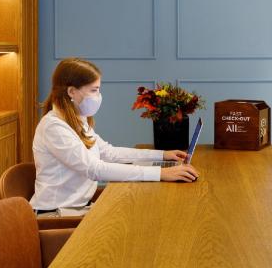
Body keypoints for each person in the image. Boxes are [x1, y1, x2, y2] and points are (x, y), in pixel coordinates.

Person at [30, 58, 199, 213]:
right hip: (56, 214)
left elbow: (109, 153)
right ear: (72, 92)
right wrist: (160, 173)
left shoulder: (76, 119)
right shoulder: (54, 127)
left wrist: (162, 155)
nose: (98, 96)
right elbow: (94, 169)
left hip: (78, 208)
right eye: (94, 90)